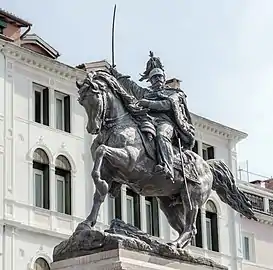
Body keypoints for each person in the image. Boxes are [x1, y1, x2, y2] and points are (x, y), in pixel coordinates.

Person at [109, 51, 195, 182]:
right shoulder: (146, 93)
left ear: (164, 78)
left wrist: (147, 103)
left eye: (160, 77)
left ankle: (168, 166)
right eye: (154, 78)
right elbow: (131, 85)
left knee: (161, 135)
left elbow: (166, 104)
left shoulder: (173, 93)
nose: (157, 80)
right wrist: (116, 74)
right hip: (148, 120)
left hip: (165, 122)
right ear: (150, 80)